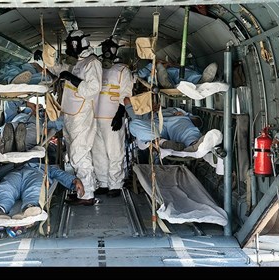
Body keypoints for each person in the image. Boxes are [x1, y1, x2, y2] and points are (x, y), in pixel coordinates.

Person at [37, 30, 102, 206]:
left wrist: (72, 79)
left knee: (80, 154)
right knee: (74, 154)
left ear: (77, 44)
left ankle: (87, 195)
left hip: (82, 115)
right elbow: (60, 70)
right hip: (71, 114)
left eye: (69, 45)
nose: (67, 48)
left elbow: (93, 89)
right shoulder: (78, 63)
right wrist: (43, 59)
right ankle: (82, 189)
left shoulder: (92, 63)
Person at [91, 36, 133, 198]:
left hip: (113, 117)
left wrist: (120, 113)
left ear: (116, 50)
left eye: (111, 48)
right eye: (105, 48)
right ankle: (102, 183)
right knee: (98, 152)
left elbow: (126, 93)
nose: (107, 51)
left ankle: (115, 184)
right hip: (94, 117)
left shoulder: (123, 70)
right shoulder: (96, 68)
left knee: (115, 151)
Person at [0, 161, 85, 220]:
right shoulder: (13, 163)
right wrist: (13, 164)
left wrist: (74, 180)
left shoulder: (46, 166)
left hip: (36, 172)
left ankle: (29, 208)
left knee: (35, 188)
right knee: (5, 186)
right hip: (16, 173)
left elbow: (59, 174)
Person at [124, 97, 204, 152]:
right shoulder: (139, 114)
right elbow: (126, 100)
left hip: (175, 120)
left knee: (184, 126)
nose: (153, 102)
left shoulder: (172, 109)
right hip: (156, 127)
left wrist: (184, 115)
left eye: (153, 100)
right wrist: (147, 107)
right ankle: (163, 142)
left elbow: (198, 121)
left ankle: (193, 144)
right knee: (133, 124)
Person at [0, 100, 64, 153]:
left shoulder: (43, 122)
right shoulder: (17, 115)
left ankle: (18, 146)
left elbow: (61, 121)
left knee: (32, 133)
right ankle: (12, 144)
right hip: (14, 124)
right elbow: (9, 101)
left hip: (34, 128)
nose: (39, 109)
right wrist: (28, 104)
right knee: (9, 127)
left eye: (41, 109)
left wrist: (50, 115)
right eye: (38, 107)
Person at [138, 60, 218, 89]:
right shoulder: (145, 71)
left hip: (177, 71)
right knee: (162, 75)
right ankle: (167, 84)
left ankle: (202, 80)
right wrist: (154, 65)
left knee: (189, 74)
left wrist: (170, 64)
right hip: (160, 75)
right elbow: (140, 75)